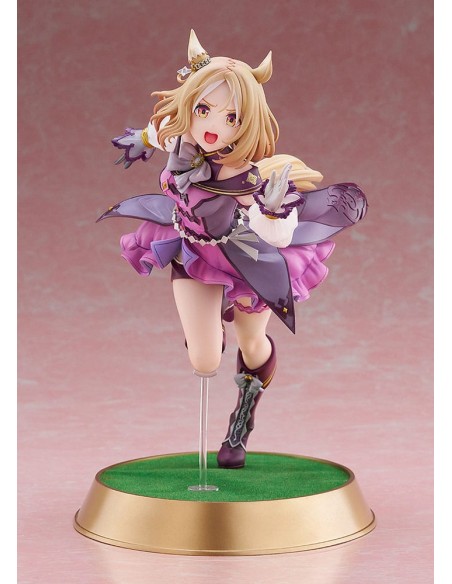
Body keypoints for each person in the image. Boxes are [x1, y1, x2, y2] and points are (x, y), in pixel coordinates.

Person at [98, 30, 367, 469]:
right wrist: (142, 140)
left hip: (245, 258)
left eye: (231, 118)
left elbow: (275, 236)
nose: (212, 126)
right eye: (203, 109)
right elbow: (161, 131)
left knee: (252, 340)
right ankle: (207, 331)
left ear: (247, 122)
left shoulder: (249, 177)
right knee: (204, 359)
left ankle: (244, 411)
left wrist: (274, 210)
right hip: (193, 251)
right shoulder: (181, 141)